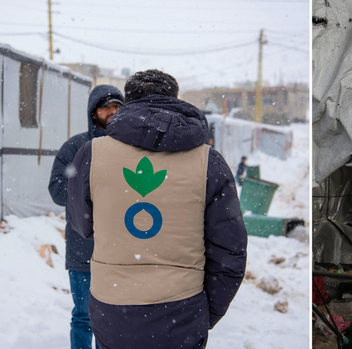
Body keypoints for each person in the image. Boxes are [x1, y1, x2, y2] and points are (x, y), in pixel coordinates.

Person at [67, 69, 247, 349]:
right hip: (182, 308)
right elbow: (230, 250)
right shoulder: (208, 161)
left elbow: (82, 224)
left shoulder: (92, 154)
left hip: (112, 307)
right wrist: (204, 313)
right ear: (174, 99)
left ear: (128, 102)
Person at [48, 84, 123, 349]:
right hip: (83, 250)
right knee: (83, 317)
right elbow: (57, 190)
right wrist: (91, 185)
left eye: (117, 106)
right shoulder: (76, 147)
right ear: (94, 113)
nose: (113, 111)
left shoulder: (131, 147)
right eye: (107, 107)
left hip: (122, 252)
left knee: (117, 318)